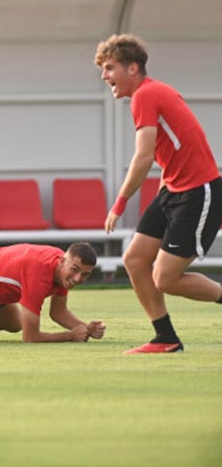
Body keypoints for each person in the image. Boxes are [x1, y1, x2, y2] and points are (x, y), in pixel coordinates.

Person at [96, 34, 222, 354]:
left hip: (198, 192)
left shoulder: (145, 95)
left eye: (109, 67)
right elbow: (168, 150)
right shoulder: (149, 93)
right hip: (173, 190)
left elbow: (144, 155)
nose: (104, 75)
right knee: (135, 260)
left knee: (165, 278)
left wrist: (120, 203)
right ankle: (165, 338)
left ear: (133, 68)